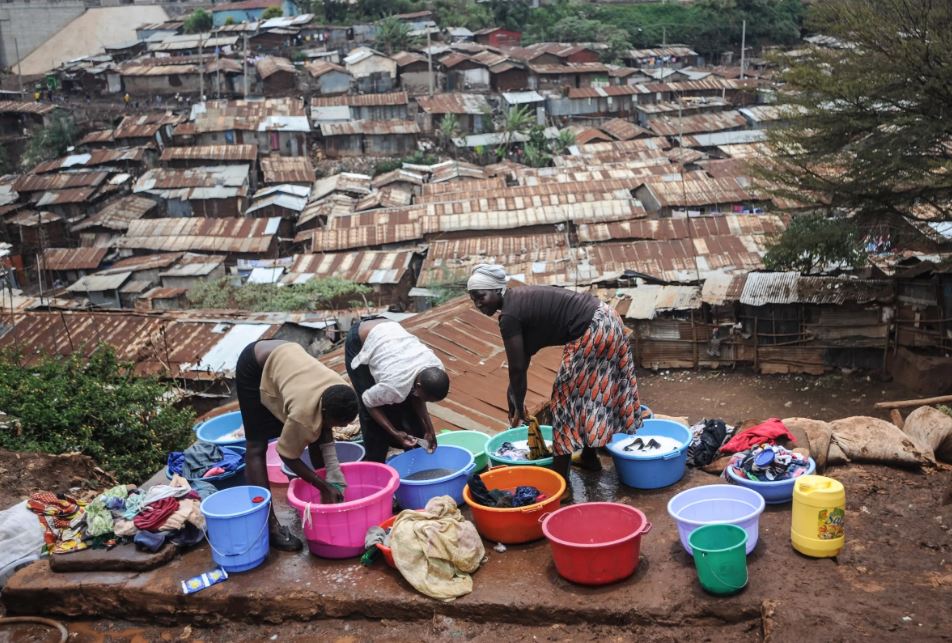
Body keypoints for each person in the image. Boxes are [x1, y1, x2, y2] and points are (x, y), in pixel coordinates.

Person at [467, 264, 643, 492]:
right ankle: (589, 457)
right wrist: (513, 401)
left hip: (592, 329)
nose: (478, 304)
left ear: (496, 290)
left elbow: (517, 369)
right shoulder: (517, 302)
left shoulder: (509, 315)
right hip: (607, 319)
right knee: (591, 396)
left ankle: (561, 485)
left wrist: (519, 406)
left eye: (481, 297)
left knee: (563, 405)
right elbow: (519, 365)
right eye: (473, 299)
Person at [236, 339, 359, 551]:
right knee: (257, 445)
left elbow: (324, 430)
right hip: (255, 364)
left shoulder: (340, 391)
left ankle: (326, 499)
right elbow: (287, 454)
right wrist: (322, 484)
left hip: (287, 356)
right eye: (339, 423)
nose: (343, 427)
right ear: (324, 412)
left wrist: (333, 478)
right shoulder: (303, 415)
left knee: (319, 430)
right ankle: (269, 525)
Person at [345, 318, 450, 463]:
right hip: (361, 337)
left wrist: (429, 429)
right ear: (418, 385)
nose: (425, 402)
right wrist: (394, 432)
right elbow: (368, 401)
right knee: (371, 417)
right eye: (427, 399)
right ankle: (376, 464)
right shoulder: (396, 385)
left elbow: (417, 396)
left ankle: (417, 454)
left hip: (389, 330)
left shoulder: (436, 367)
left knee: (407, 406)